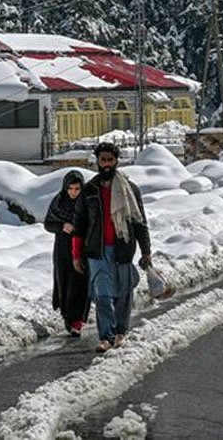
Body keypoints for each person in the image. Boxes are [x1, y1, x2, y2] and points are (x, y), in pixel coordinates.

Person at [72, 142, 152, 353]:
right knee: (103, 295)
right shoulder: (89, 190)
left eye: (110, 160)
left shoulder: (130, 190)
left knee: (123, 294)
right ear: (97, 162)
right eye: (103, 160)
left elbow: (140, 223)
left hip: (123, 249)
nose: (106, 164)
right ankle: (106, 336)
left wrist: (146, 251)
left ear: (116, 161)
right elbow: (79, 224)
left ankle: (120, 333)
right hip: (97, 252)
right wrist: (76, 254)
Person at [44, 170, 90, 337]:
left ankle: (77, 320)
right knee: (64, 281)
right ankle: (68, 317)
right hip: (63, 247)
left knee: (80, 282)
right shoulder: (58, 202)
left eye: (77, 189)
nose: (73, 192)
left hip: (82, 247)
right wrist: (62, 226)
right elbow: (48, 223)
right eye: (70, 188)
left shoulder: (86, 203)